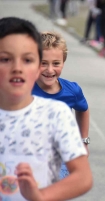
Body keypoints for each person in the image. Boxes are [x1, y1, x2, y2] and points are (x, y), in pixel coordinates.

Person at [0, 17, 92, 201]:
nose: (16, 67)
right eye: (5, 59)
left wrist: (84, 140)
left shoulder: (58, 112)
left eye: (25, 59)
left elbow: (83, 177)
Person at [32, 31, 90, 179]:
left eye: (56, 63)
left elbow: (83, 110)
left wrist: (84, 141)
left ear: (63, 63)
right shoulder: (23, 89)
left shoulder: (72, 91)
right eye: (43, 63)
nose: (50, 70)